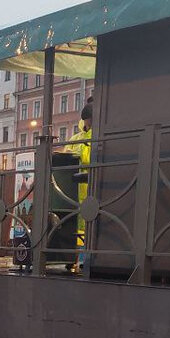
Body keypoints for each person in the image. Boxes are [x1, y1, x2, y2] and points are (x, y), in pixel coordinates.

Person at [63, 102, 93, 269]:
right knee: (75, 226)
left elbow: (89, 159)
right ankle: (71, 259)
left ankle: (89, 260)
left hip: (89, 187)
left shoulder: (98, 134)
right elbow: (67, 157)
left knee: (90, 225)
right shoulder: (76, 137)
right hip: (74, 188)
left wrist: (77, 154)